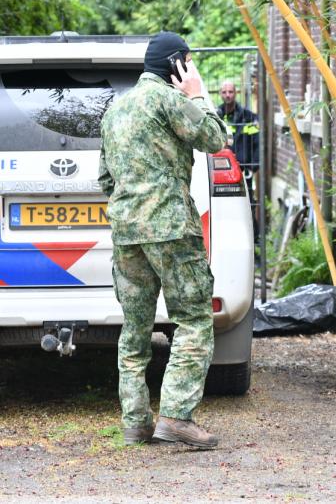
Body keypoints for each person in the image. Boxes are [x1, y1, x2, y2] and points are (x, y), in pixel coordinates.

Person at [98, 31, 228, 448]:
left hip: (126, 232)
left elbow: (105, 178)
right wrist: (198, 93)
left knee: (134, 330)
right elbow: (215, 138)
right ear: (177, 64)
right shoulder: (169, 99)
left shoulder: (115, 109)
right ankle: (176, 417)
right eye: (188, 62)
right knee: (192, 319)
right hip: (171, 229)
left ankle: (135, 423)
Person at [217, 81, 260, 237]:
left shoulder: (248, 117)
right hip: (221, 171)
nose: (228, 95)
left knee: (248, 204)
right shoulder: (216, 116)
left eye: (231, 91)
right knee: (223, 205)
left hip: (243, 169)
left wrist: (253, 166)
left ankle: (252, 237)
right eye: (224, 92)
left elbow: (257, 142)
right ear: (220, 94)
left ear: (236, 93)